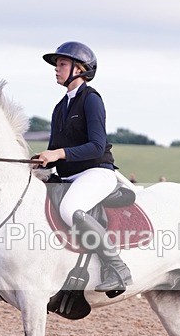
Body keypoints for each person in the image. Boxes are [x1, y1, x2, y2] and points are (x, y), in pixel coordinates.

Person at [35, 41, 132, 294]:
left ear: (80, 69)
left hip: (96, 172)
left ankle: (117, 267)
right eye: (56, 65)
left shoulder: (91, 99)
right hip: (68, 177)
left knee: (71, 209)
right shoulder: (59, 108)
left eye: (62, 64)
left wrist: (59, 153)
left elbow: (97, 146)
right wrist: (40, 161)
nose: (56, 69)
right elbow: (55, 151)